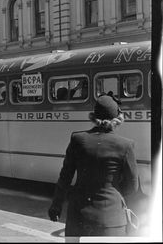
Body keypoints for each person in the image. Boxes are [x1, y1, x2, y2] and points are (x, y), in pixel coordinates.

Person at [48, 94, 139, 237]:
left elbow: (64, 177)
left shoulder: (77, 139)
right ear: (118, 120)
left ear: (94, 117)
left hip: (78, 217)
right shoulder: (126, 145)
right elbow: (132, 186)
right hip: (111, 220)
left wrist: (56, 205)